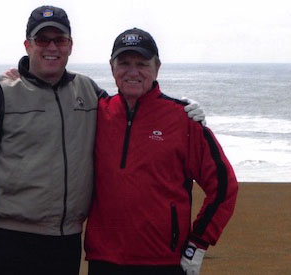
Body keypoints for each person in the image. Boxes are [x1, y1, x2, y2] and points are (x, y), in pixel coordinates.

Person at [0, 6, 205, 275]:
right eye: (42, 40)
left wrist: (184, 110)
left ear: (70, 46)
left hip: (66, 244)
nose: (51, 47)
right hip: (7, 240)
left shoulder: (86, 91)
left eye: (59, 40)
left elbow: (128, 107)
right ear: (28, 45)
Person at [84, 28, 239, 275]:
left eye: (142, 64)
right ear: (112, 67)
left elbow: (224, 187)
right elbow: (55, 91)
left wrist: (197, 244)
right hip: (104, 261)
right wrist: (20, 75)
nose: (132, 72)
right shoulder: (97, 114)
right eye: (124, 63)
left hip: (163, 263)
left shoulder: (183, 119)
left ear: (157, 67)